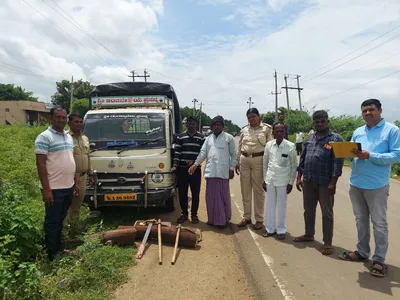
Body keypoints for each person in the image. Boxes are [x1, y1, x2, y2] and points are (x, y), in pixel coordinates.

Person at [339, 99, 400, 277]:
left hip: (377, 185)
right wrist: (343, 152)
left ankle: (379, 260)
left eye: (371, 110)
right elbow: (353, 154)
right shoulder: (358, 131)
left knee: (379, 223)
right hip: (356, 182)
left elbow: (397, 156)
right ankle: (362, 252)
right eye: (364, 110)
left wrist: (370, 155)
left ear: (380, 110)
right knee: (360, 220)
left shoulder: (392, 130)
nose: (367, 113)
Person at [294, 110, 344, 256]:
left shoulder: (335, 139)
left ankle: (327, 243)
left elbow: (338, 162)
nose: (320, 124)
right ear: (313, 123)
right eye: (317, 122)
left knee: (326, 213)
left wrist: (333, 182)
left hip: (325, 182)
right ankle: (309, 234)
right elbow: (303, 158)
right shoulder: (309, 138)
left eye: (322, 121)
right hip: (308, 181)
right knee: (308, 210)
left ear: (327, 121)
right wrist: (299, 177)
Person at [34, 106, 79, 260]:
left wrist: (74, 182)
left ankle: (59, 248)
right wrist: (47, 189)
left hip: (68, 186)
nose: (61, 120)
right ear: (50, 118)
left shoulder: (68, 137)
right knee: (52, 221)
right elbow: (41, 165)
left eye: (64, 117)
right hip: (53, 188)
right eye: (58, 117)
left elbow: (69, 160)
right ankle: (52, 254)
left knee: (60, 219)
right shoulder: (44, 137)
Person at [188, 116, 236, 228]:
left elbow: (234, 154)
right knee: (211, 197)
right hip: (211, 172)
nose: (216, 126)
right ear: (212, 126)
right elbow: (203, 153)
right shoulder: (208, 138)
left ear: (223, 126)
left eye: (219, 124)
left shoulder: (229, 138)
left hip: (223, 172)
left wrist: (232, 168)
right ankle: (212, 219)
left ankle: (223, 220)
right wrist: (196, 164)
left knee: (223, 197)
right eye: (214, 124)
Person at [236, 108, 273, 230]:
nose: (251, 119)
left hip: (259, 161)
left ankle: (259, 220)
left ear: (259, 116)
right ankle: (246, 217)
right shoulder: (245, 129)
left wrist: (269, 165)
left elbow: (271, 147)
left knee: (258, 191)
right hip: (244, 161)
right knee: (245, 190)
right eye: (249, 117)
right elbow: (240, 145)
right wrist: (237, 161)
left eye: (253, 116)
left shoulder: (266, 129)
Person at [262, 122, 297, 240]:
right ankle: (270, 229)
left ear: (285, 132)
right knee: (270, 205)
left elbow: (293, 166)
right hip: (270, 179)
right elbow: (265, 164)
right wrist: (264, 179)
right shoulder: (268, 145)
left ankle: (281, 230)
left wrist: (291, 182)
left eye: (282, 131)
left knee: (282, 206)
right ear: (273, 133)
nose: (279, 133)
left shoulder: (290, 146)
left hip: (283, 181)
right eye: (277, 131)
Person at [64, 113, 94, 236]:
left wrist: (91, 173)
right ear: (69, 123)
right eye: (76, 122)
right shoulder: (65, 138)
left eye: (80, 122)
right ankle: (63, 231)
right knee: (65, 206)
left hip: (83, 177)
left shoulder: (85, 138)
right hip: (69, 177)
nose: (78, 124)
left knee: (77, 205)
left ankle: (74, 230)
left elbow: (88, 157)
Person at [171, 116, 205, 224]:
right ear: (186, 125)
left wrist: (195, 162)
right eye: (189, 123)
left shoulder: (201, 138)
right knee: (182, 193)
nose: (191, 125)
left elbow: (203, 153)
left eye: (193, 123)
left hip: (195, 169)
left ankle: (194, 215)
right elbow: (177, 152)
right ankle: (184, 214)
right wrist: (175, 165)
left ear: (196, 124)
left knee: (195, 193)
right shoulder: (181, 137)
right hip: (182, 169)